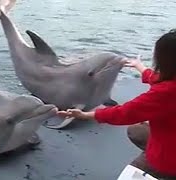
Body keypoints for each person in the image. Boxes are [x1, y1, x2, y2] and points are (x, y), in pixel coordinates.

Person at [58, 29, 176, 179]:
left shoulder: (165, 93)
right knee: (136, 130)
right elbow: (161, 79)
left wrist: (84, 115)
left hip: (169, 162)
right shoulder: (169, 84)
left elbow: (125, 113)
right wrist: (139, 66)